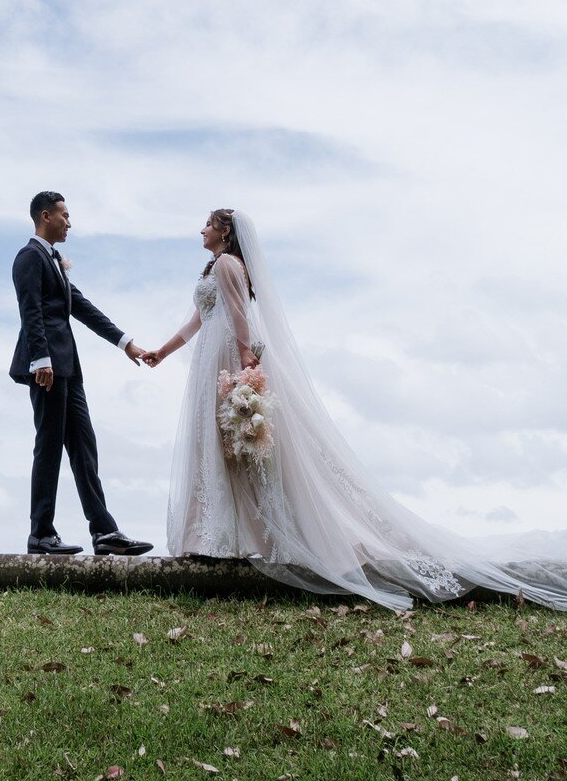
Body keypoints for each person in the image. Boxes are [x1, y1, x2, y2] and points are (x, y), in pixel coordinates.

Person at [142, 209, 567, 610]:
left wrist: (244, 357)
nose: (202, 231)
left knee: (236, 448)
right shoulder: (215, 267)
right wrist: (164, 350)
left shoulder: (227, 265)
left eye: (208, 225)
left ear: (226, 232)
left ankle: (229, 537)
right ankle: (220, 536)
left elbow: (238, 314)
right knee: (224, 448)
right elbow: (199, 318)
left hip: (226, 360)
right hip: (210, 361)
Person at [10, 191, 152, 557]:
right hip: (47, 370)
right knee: (49, 447)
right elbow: (31, 311)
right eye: (65, 215)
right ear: (45, 216)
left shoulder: (53, 261)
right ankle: (40, 533)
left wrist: (125, 343)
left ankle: (104, 532)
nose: (69, 222)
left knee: (84, 449)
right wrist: (41, 361)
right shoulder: (29, 257)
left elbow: (82, 308)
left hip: (69, 369)